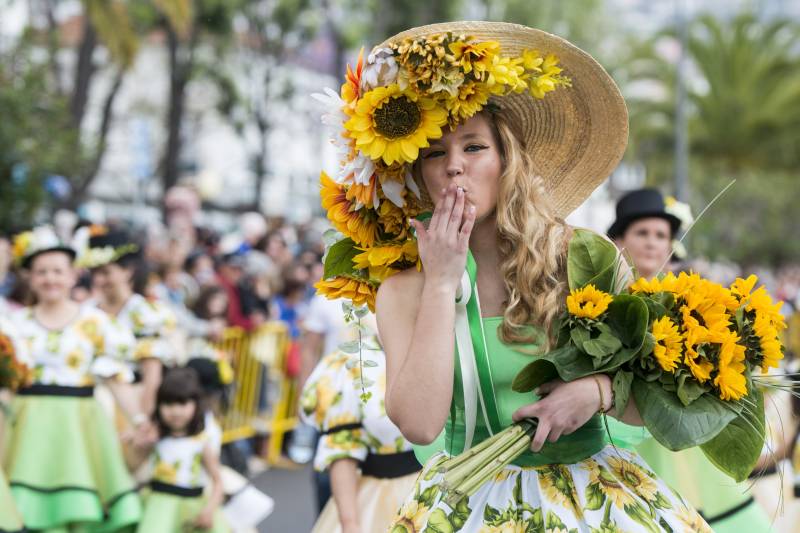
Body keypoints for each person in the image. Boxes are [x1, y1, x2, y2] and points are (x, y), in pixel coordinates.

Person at [316, 22, 710, 531]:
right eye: (436, 153)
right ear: (418, 173)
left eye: (473, 147)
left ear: (507, 160)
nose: (454, 166)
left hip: (592, 502)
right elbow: (418, 422)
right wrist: (440, 281)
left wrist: (596, 393)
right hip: (470, 505)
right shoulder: (404, 288)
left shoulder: (584, 256)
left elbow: (655, 397)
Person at [609, 188, 772, 531]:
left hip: (683, 437)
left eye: (660, 235)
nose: (652, 243)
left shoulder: (690, 301)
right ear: (619, 239)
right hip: (619, 434)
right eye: (642, 233)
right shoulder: (603, 301)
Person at [4, 225, 142, 530]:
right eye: (41, 272)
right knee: (26, 508)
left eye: (57, 271)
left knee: (81, 508)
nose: (50, 278)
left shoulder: (96, 323)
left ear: (72, 275)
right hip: (28, 426)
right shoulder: (14, 325)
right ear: (30, 277)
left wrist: (140, 419)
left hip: (80, 424)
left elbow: (116, 379)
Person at [300, 318, 421, 533]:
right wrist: (351, 524)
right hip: (382, 500)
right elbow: (342, 451)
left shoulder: (454, 345)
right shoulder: (353, 363)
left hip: (449, 494)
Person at [84, 229, 179, 441]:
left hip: (131, 403)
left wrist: (142, 421)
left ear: (127, 271)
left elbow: (151, 375)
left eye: (107, 272)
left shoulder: (144, 313)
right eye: (96, 273)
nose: (100, 280)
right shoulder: (87, 311)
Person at [134, 367, 228, 532]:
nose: (176, 411)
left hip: (190, 507)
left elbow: (218, 481)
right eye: (168, 404)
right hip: (157, 508)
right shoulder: (156, 438)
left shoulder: (200, 442)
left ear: (195, 405)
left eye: (183, 403)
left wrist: (210, 509)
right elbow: (132, 466)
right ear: (159, 405)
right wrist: (141, 442)